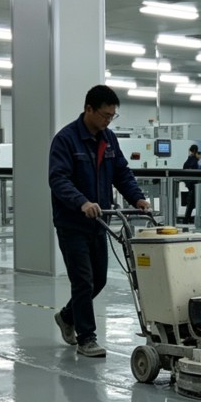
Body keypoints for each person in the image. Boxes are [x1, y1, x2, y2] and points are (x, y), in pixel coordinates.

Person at [49, 85, 150, 358]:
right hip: (72, 222)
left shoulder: (109, 139)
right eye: (105, 115)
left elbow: (121, 173)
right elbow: (58, 179)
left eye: (112, 116)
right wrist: (81, 202)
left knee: (99, 280)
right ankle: (87, 338)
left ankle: (67, 316)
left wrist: (137, 199)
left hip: (99, 221)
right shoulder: (66, 140)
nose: (108, 120)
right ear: (89, 109)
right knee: (83, 281)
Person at [182, 143, 201, 223]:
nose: (191, 153)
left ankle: (187, 218)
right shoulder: (191, 158)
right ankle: (187, 218)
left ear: (194, 151)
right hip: (193, 183)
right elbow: (185, 166)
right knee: (192, 201)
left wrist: (198, 160)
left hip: (197, 182)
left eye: (192, 152)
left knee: (193, 202)